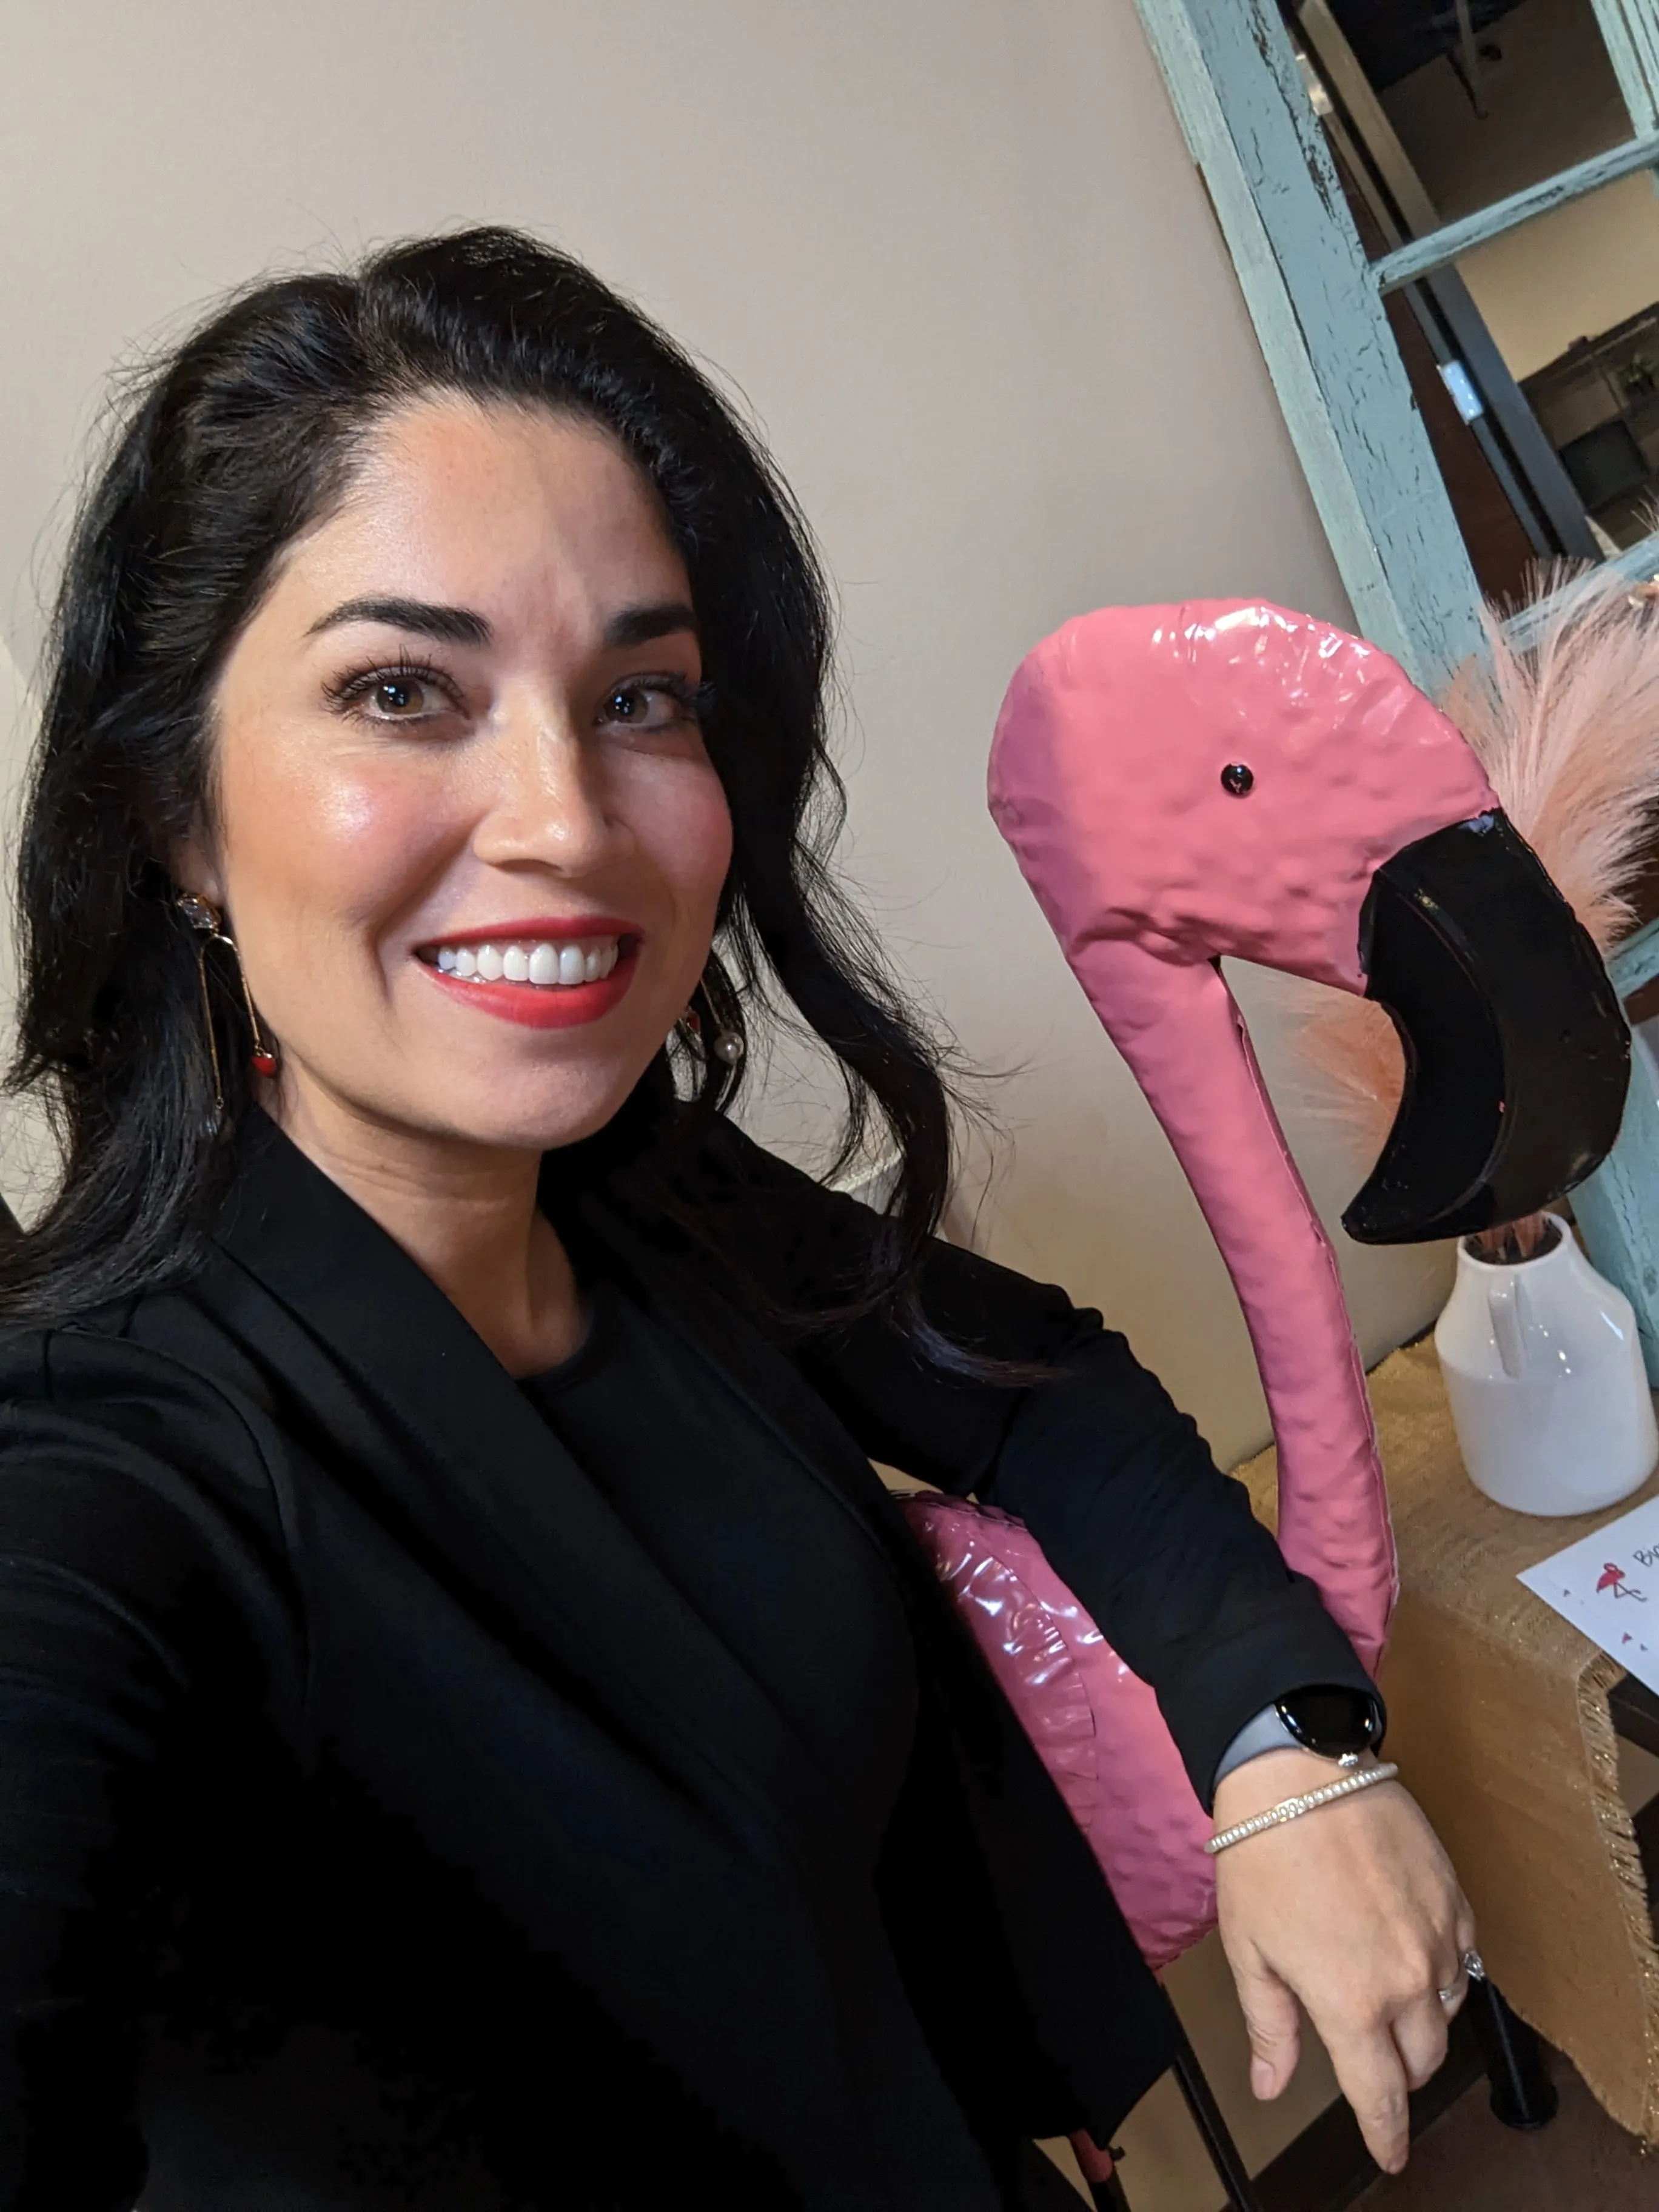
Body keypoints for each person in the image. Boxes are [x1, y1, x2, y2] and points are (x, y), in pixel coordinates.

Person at [0, 227, 1472, 2212]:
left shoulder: (649, 1198)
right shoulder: (100, 1463)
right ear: (176, 815)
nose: (567, 820)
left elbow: (1042, 1389)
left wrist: (1287, 1743)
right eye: (402, 689)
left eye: (641, 695)